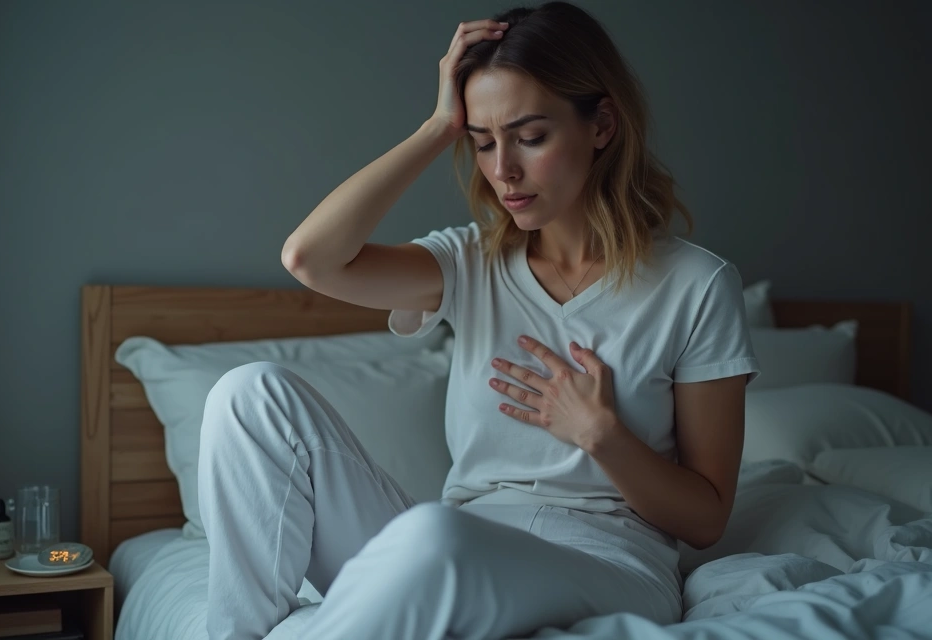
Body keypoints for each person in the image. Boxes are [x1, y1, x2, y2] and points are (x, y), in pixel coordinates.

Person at [197, 2, 759, 639]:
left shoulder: (698, 285)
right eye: (483, 142)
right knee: (248, 395)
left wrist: (604, 436)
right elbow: (309, 257)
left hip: (606, 562)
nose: (502, 171)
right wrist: (439, 126)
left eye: (530, 136)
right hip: (455, 542)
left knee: (433, 538)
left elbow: (706, 517)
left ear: (601, 124)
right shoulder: (468, 261)